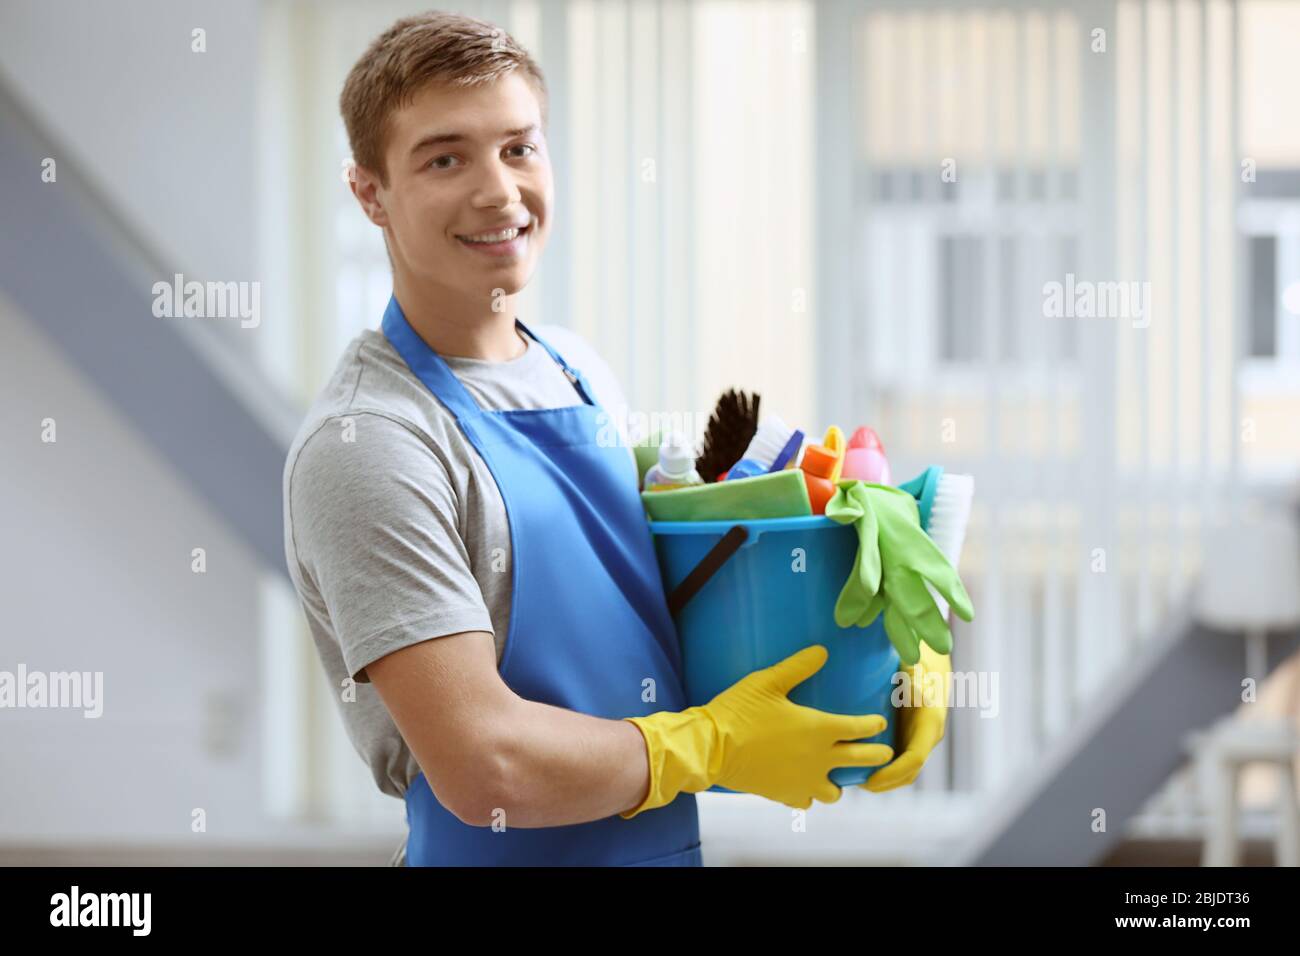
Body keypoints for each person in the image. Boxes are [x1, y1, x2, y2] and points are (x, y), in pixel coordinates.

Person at [281, 10, 924, 867]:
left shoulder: (576, 372)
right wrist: (708, 749)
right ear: (370, 193)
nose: (499, 192)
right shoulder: (372, 443)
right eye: (445, 158)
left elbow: (678, 638)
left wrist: (883, 676)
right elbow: (486, 765)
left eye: (519, 148)